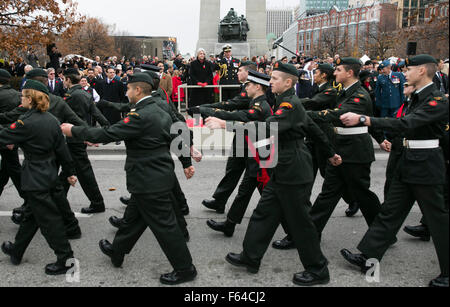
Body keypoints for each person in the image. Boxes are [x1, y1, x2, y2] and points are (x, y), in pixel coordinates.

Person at [61, 73, 198, 285]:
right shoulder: (160, 107)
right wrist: (186, 162)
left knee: (165, 226)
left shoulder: (140, 115)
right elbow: (178, 135)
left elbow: (109, 133)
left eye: (128, 89)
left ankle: (185, 268)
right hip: (154, 176)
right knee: (133, 219)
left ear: (138, 91)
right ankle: (117, 251)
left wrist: (74, 131)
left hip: (148, 179)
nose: (126, 93)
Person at [223, 62, 342, 287]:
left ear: (288, 82)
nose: (271, 82)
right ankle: (250, 256)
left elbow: (269, 127)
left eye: (275, 78)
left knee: (301, 223)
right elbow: (311, 127)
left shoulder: (289, 103)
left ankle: (318, 269)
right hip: (284, 168)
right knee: (264, 213)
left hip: (293, 170)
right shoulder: (284, 101)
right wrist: (330, 153)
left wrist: (226, 124)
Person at [340, 54, 449, 288]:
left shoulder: (436, 100)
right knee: (389, 213)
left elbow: (406, 124)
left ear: (422, 71)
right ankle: (368, 257)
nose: (404, 72)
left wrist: (364, 119)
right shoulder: (418, 96)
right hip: (408, 162)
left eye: (408, 69)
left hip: (426, 166)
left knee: (437, 219)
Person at [0, 80, 77, 275]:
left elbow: (4, 135)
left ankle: (65, 258)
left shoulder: (26, 122)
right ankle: (17, 250)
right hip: (49, 173)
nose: (21, 98)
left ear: (31, 99)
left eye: (24, 96)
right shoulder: (51, 120)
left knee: (49, 222)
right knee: (31, 217)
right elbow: (63, 151)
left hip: (35, 177)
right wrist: (69, 173)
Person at [307, 58, 383, 240]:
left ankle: (382, 232)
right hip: (341, 148)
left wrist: (305, 115)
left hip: (356, 151)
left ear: (350, 73)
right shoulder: (345, 91)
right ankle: (309, 234)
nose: (335, 73)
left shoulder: (359, 95)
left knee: (363, 194)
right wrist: (381, 139)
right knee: (328, 193)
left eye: (339, 70)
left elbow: (340, 114)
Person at [194, 70, 274, 237]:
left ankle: (294, 230)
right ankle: (229, 224)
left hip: (262, 158)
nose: (246, 87)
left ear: (258, 87)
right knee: (245, 192)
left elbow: (242, 117)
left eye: (249, 84)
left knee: (274, 197)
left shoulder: (260, 106)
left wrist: (221, 122)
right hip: (256, 155)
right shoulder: (255, 102)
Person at [199, 61, 255, 214]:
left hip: (253, 136)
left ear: (248, 72)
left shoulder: (252, 89)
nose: (237, 73)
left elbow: (232, 105)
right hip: (242, 133)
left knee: (256, 179)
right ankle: (220, 200)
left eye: (240, 70)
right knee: (233, 169)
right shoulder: (246, 87)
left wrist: (207, 109)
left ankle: (279, 210)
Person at [61, 68, 109, 214]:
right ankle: (57, 200)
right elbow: (96, 113)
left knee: (81, 171)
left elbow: (68, 117)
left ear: (68, 80)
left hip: (74, 137)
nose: (63, 81)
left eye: (64, 79)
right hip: (80, 135)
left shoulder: (71, 95)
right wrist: (107, 129)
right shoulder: (85, 93)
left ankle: (97, 203)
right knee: (69, 171)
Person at [0, 69, 26, 210]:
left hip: (5, 137)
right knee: (8, 167)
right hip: (12, 136)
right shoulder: (17, 95)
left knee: (14, 169)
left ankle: (28, 198)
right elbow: (19, 118)